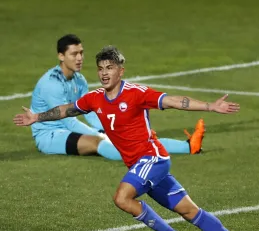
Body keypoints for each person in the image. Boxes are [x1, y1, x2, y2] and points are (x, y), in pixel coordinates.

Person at [14, 46, 258, 231]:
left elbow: (174, 101)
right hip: (140, 166)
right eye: (100, 68)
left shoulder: (136, 94)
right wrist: (37, 117)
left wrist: (210, 106)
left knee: (122, 198)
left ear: (121, 70)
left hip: (153, 159)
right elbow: (68, 109)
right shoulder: (95, 98)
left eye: (109, 68)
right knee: (190, 211)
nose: (104, 73)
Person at [30, 34, 204, 162]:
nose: (79, 58)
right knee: (97, 142)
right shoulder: (51, 84)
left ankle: (189, 146)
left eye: (81, 53)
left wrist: (110, 129)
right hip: (49, 135)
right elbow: (68, 119)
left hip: (68, 129)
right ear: (61, 56)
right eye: (74, 54)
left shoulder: (79, 79)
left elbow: (91, 112)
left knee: (135, 137)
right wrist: (103, 134)